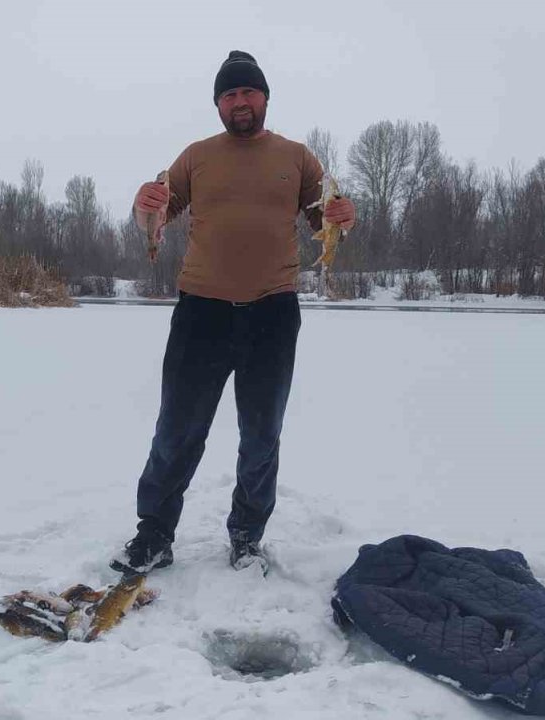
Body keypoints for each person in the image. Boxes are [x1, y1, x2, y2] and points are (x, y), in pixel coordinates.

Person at [110, 51, 356, 576]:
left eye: (248, 92)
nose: (239, 102)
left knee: (262, 434)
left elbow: (325, 215)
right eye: (229, 94)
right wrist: (142, 205)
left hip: (273, 312)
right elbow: (158, 212)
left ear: (264, 97)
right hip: (202, 312)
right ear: (218, 104)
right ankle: (154, 533)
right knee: (177, 429)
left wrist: (345, 214)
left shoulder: (297, 157)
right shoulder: (197, 156)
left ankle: (246, 537)